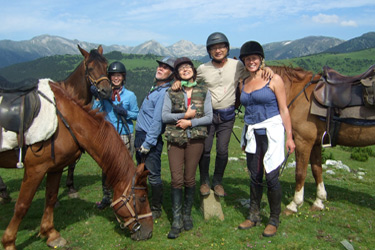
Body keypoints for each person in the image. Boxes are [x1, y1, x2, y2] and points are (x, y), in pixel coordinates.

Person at [173, 32, 273, 197]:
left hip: (227, 115)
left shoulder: (237, 66)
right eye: (214, 48)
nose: (218, 50)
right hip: (208, 115)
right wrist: (178, 82)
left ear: (227, 48)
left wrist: (265, 68)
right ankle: (204, 181)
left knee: (222, 150)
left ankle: (218, 181)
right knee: (205, 150)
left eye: (221, 47)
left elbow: (253, 73)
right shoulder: (203, 69)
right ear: (209, 51)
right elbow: (190, 81)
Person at [237, 41, 295, 237]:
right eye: (247, 59)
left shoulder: (274, 79)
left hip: (272, 132)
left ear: (261, 59)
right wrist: (245, 138)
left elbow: (284, 109)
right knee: (254, 176)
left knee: (271, 177)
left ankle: (274, 219)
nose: (251, 61)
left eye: (254, 58)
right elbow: (246, 110)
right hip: (253, 133)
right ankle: (253, 215)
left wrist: (290, 137)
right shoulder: (243, 83)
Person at [162, 57, 213, 239]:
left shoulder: (204, 91)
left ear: (193, 70)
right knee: (176, 179)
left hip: (196, 140)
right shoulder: (172, 91)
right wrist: (184, 114)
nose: (185, 69)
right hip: (175, 140)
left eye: (188, 67)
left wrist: (190, 122)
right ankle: (176, 220)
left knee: (190, 179)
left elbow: (209, 117)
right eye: (181, 68)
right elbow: (164, 116)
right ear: (177, 74)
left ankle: (187, 214)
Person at [91, 61, 139, 209]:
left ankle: (125, 194)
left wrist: (125, 112)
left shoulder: (130, 96)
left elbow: (136, 114)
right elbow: (96, 113)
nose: (116, 78)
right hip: (109, 136)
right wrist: (98, 98)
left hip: (125, 133)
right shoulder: (105, 94)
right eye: (113, 76)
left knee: (124, 166)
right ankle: (107, 196)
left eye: (118, 76)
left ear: (123, 77)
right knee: (107, 168)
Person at [134, 56, 176, 219]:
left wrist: (148, 143)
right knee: (142, 172)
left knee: (152, 175)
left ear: (171, 74)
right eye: (160, 66)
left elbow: (158, 120)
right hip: (141, 136)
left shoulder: (164, 93)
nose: (160, 68)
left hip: (148, 139)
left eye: (165, 67)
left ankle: (157, 208)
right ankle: (145, 202)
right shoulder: (156, 88)